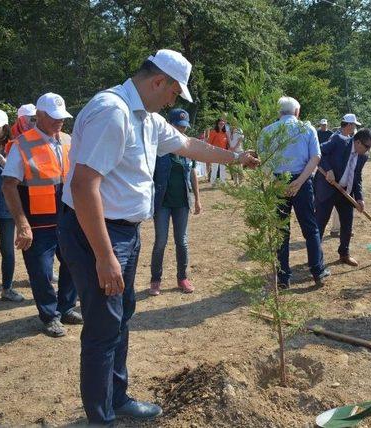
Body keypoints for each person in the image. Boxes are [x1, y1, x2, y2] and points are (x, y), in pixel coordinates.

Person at [55, 49, 259, 425]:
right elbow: (84, 187)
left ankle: (117, 397)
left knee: (121, 316)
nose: (173, 101)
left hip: (124, 231)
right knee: (102, 326)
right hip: (96, 231)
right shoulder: (112, 113)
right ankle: (100, 418)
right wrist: (104, 256)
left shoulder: (147, 117)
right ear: (158, 81)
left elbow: (187, 145)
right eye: (174, 94)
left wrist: (235, 158)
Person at [1, 94, 81, 337]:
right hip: (37, 223)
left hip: (68, 216)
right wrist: (21, 223)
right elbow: (8, 185)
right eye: (55, 118)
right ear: (41, 116)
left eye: (63, 118)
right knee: (42, 272)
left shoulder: (68, 140)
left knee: (73, 263)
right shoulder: (22, 144)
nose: (60, 122)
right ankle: (49, 315)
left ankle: (66, 306)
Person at [260, 96, 330, 289]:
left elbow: (263, 160)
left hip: (277, 182)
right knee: (310, 228)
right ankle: (318, 271)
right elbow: (316, 156)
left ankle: (284, 278)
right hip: (302, 180)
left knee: (281, 231)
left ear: (279, 112)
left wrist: (275, 182)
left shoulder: (267, 131)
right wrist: (300, 181)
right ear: (297, 112)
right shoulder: (307, 129)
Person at [149, 108, 201, 296]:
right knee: (160, 242)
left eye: (184, 127)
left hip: (182, 202)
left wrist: (197, 199)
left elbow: (193, 173)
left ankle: (182, 278)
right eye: (178, 126)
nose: (182, 130)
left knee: (182, 242)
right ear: (169, 125)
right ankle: (155, 280)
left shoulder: (187, 147)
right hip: (162, 203)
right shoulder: (158, 148)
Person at [315, 128, 371, 267]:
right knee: (320, 223)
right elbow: (318, 152)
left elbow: (357, 177)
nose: (368, 150)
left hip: (345, 192)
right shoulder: (339, 141)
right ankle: (315, 256)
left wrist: (359, 198)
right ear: (357, 142)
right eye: (367, 146)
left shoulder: (363, 156)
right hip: (327, 188)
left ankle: (344, 254)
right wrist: (328, 169)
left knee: (347, 224)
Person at [0, 109, 25, 311]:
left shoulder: (13, 147)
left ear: (4, 126)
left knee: (7, 249)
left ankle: (7, 288)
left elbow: (13, 171)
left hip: (7, 204)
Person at [328, 114, 361, 238]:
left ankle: (342, 229)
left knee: (343, 208)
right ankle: (336, 229)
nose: (354, 128)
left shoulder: (348, 138)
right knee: (332, 208)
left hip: (344, 181)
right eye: (354, 125)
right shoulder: (335, 138)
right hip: (333, 182)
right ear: (348, 125)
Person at [207, 116, 230, 185]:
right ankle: (213, 183)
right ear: (217, 124)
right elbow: (209, 143)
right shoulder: (213, 132)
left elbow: (227, 144)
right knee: (215, 168)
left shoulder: (225, 133)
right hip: (215, 153)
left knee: (223, 168)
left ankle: (223, 182)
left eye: (223, 124)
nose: (221, 125)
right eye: (220, 124)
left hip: (223, 153)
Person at [228, 120, 245, 184]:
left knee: (239, 166)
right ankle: (235, 181)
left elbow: (240, 140)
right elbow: (228, 141)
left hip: (239, 150)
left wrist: (234, 147)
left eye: (234, 123)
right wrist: (230, 148)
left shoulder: (239, 130)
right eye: (231, 123)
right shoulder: (229, 131)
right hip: (232, 151)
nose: (233, 124)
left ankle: (240, 181)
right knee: (233, 166)